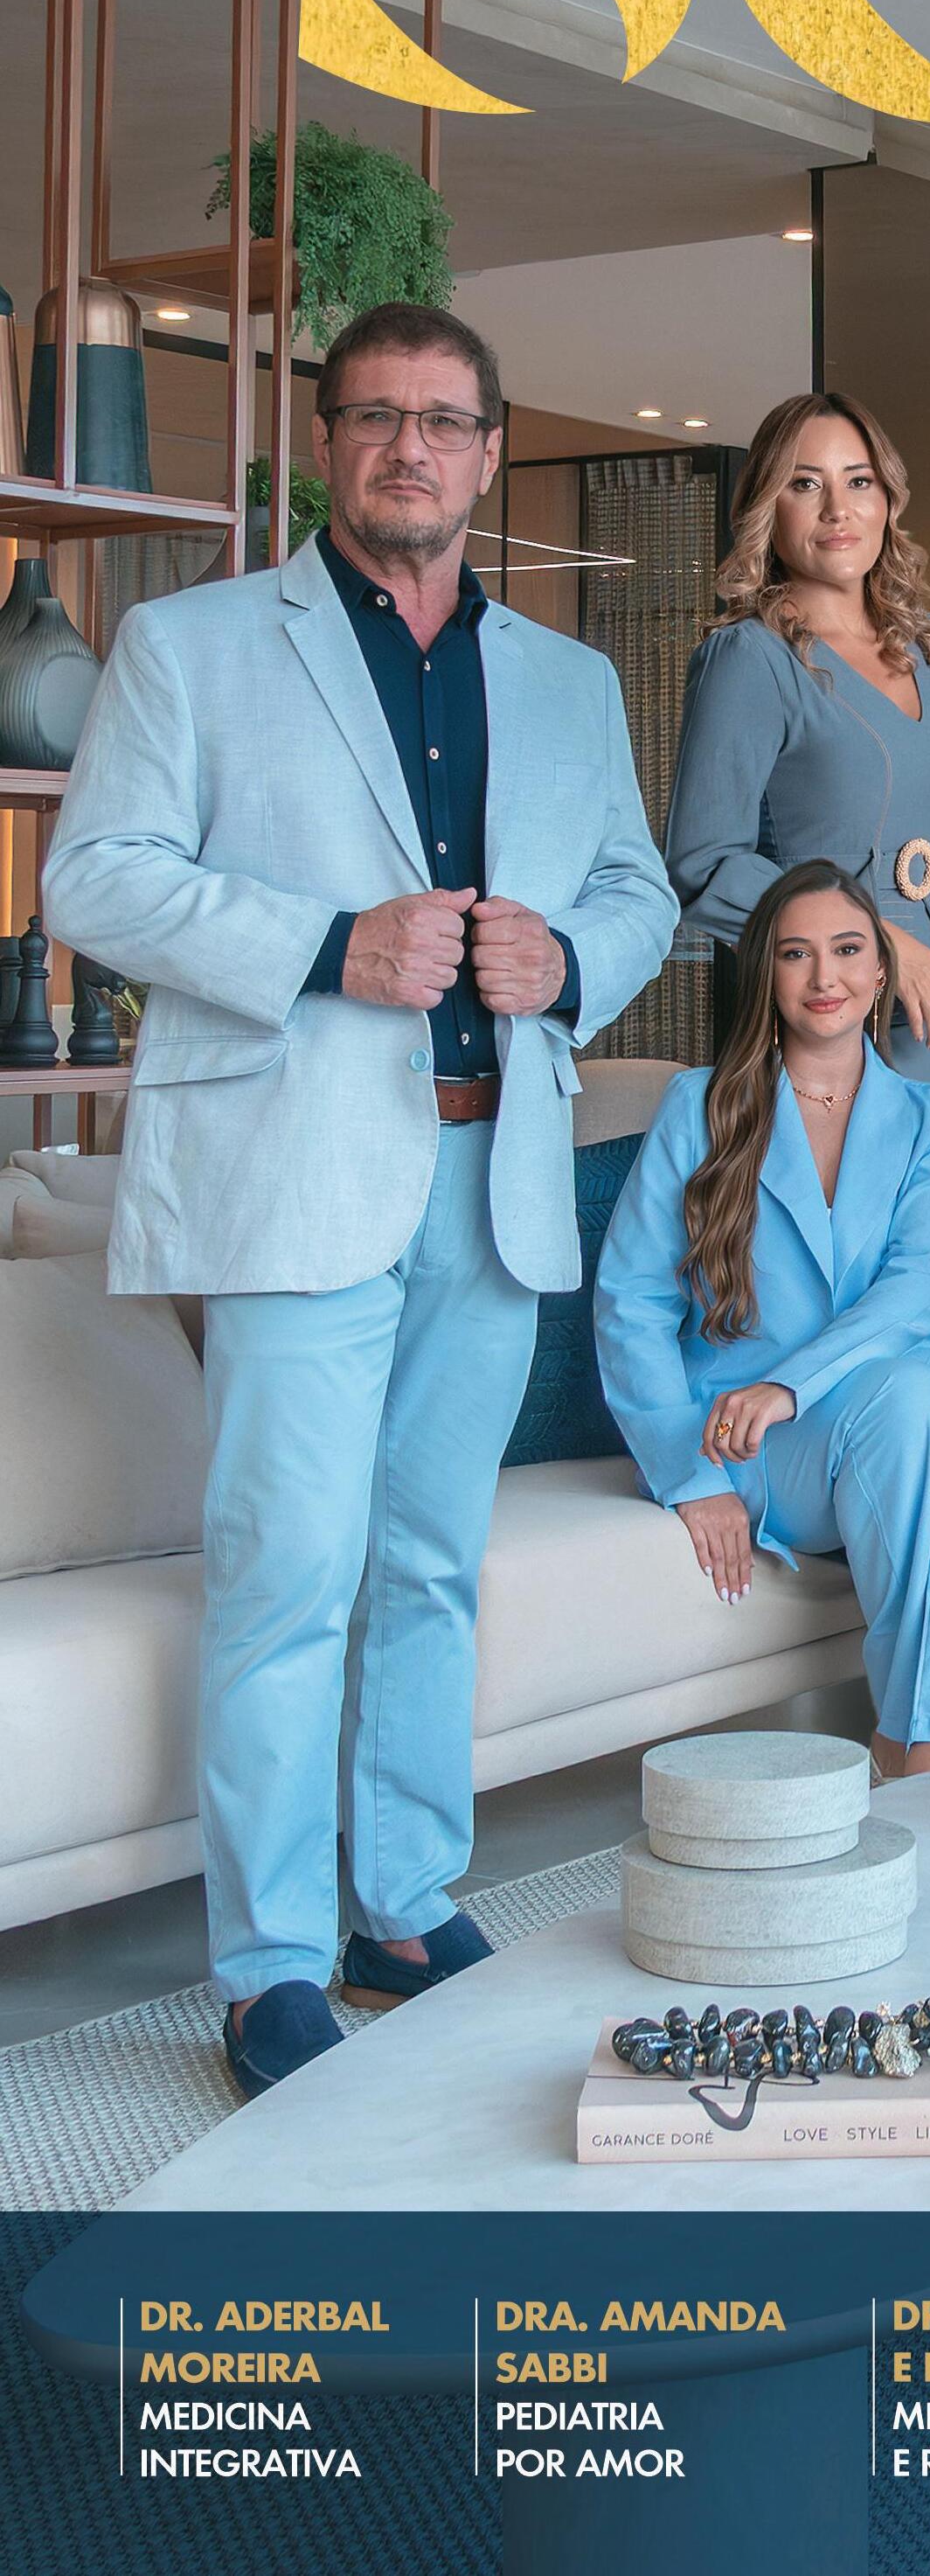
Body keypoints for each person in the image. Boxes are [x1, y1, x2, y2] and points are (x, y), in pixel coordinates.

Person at [44, 302, 677, 2099]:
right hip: (295, 1171)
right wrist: (331, 943)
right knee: (287, 1570)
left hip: (497, 1172)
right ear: (324, 443)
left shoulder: (566, 681)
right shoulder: (189, 643)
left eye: (445, 420)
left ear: (489, 450)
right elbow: (95, 875)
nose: (412, 446)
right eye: (378, 416)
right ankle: (265, 1959)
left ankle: (401, 1902)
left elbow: (634, 888)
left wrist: (572, 961)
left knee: (429, 1561)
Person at [593, 860, 930, 1768]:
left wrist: (793, 1382)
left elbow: (920, 1285)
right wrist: (690, 1475)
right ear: (766, 974)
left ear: (882, 970)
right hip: (757, 1441)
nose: (825, 976)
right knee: (913, 1402)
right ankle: (902, 1742)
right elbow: (631, 1302)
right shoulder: (700, 1105)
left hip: (883, 1415)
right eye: (796, 954)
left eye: (848, 950)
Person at [663, 391, 930, 1406]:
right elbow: (703, 861)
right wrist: (874, 944)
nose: (838, 509)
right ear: (769, 507)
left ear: (889, 498)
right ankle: (825, 1479)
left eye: (859, 482)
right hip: (818, 1012)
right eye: (806, 484)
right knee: (835, 1274)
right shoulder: (751, 657)